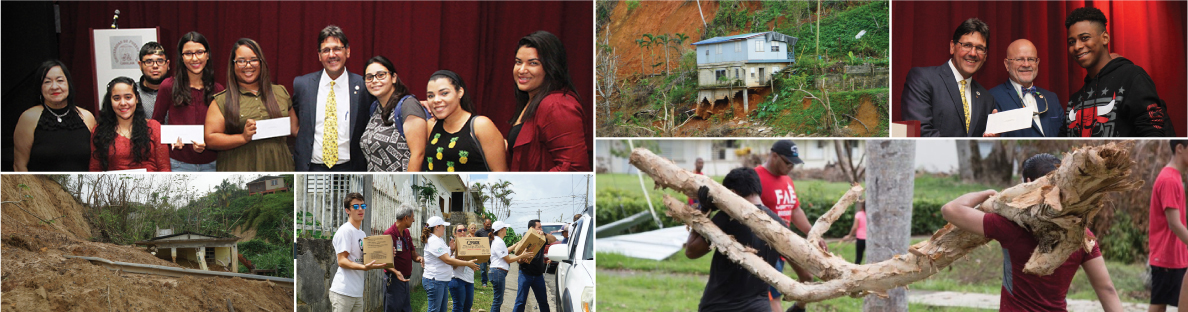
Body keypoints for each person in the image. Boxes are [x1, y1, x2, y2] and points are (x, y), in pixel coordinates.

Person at [940, 154, 1122, 311]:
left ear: (1027, 184)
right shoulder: (1081, 234)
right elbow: (1106, 289)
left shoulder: (1010, 226)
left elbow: (950, 209)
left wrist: (987, 193)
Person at [1062, 7, 1174, 137]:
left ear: (1105, 38)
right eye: (1071, 42)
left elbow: (1153, 136)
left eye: (1085, 38)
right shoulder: (1075, 100)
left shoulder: (1132, 77)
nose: (1077, 46)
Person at [686, 167, 784, 312]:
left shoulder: (727, 218)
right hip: (760, 307)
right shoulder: (779, 224)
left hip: (721, 306)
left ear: (732, 193)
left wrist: (704, 210)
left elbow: (692, 251)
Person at [204, 38, 296, 171]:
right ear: (233, 65)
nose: (248, 66)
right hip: (239, 169)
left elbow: (295, 129)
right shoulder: (222, 100)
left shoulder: (280, 92)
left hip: (279, 167)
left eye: (253, 60)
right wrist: (242, 138)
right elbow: (210, 139)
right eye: (241, 61)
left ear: (261, 62)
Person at [507, 30, 590, 171]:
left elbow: (573, 168)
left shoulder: (557, 105)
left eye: (533, 63)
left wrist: (534, 185)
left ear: (551, 66)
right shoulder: (533, 100)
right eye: (518, 62)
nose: (521, 70)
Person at [294, 25, 374, 171]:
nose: (332, 55)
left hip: (351, 168)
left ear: (347, 51)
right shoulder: (302, 85)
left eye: (337, 49)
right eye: (326, 50)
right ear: (319, 55)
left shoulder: (364, 86)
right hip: (311, 168)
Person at [901, 18, 998, 137]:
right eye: (967, 45)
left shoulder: (987, 99)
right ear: (952, 47)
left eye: (980, 48)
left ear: (986, 55)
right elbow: (919, 133)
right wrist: (967, 148)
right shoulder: (922, 79)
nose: (973, 53)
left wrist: (991, 141)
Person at [755, 140, 822, 312]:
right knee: (772, 297)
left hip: (787, 243)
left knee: (807, 277)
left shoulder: (787, 180)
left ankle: (798, 308)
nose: (791, 167)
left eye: (794, 164)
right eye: (788, 163)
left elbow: (795, 210)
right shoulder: (755, 177)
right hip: (766, 247)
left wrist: (813, 233)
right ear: (774, 156)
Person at [154, 32, 223, 172]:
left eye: (199, 52)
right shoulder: (168, 86)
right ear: (181, 57)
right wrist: (170, 139)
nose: (195, 58)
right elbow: (155, 123)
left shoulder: (218, 90)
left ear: (207, 55)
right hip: (178, 164)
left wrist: (208, 143)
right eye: (188, 53)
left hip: (213, 164)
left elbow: (222, 130)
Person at [13, 60, 97, 171]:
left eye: (60, 80)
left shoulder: (87, 117)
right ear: (40, 87)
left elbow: (97, 161)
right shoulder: (29, 118)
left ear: (69, 84)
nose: (54, 87)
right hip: (39, 183)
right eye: (47, 82)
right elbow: (19, 166)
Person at [424, 70, 508, 172]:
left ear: (460, 92)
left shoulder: (481, 125)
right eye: (431, 96)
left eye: (444, 93)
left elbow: (500, 174)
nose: (436, 100)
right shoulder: (431, 125)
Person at [360, 56, 428, 172]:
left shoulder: (408, 105)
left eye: (381, 75)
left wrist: (410, 183)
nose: (374, 80)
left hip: (403, 181)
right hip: (377, 181)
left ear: (394, 78)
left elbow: (418, 154)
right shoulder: (375, 108)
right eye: (369, 77)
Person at [89, 77, 170, 171]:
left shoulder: (154, 127)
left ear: (137, 98)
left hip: (152, 180)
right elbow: (95, 170)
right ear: (110, 101)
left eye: (128, 97)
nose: (123, 103)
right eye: (116, 98)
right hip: (114, 181)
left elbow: (164, 168)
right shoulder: (99, 131)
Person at [988, 39, 1063, 137]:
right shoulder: (992, 98)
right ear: (1007, 64)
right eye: (1019, 59)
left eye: (1031, 59)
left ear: (1037, 63)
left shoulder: (1052, 98)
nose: (1026, 64)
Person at [329, 193, 389, 312]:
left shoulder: (362, 234)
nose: (360, 209)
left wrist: (387, 253)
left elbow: (365, 258)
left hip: (357, 293)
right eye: (356, 206)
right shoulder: (345, 231)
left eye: (363, 206)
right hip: (343, 292)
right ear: (347, 210)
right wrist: (364, 268)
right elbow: (342, 261)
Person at [1149, 140, 1188, 311]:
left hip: (1175, 256)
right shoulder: (1170, 179)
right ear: (1180, 148)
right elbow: (1174, 224)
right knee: (1158, 306)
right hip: (1167, 258)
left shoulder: (1174, 177)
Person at [422, 216, 480, 312]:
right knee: (434, 310)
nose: (444, 228)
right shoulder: (434, 241)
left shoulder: (439, 240)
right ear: (437, 227)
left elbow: (445, 256)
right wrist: (467, 263)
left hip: (441, 280)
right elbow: (447, 260)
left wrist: (451, 250)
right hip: (435, 280)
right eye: (443, 226)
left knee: (442, 310)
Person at [382, 204, 422, 312]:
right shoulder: (388, 234)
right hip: (394, 281)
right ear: (406, 218)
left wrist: (419, 258)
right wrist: (396, 272)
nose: (414, 220)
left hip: (405, 281)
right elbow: (383, 261)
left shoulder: (406, 233)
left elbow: (412, 252)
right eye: (412, 217)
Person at [489, 221, 535, 312]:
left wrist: (516, 244)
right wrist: (522, 256)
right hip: (498, 272)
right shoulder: (499, 242)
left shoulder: (498, 241)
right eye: (505, 228)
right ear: (501, 230)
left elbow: (505, 251)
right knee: (498, 301)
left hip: (497, 272)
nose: (506, 230)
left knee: (498, 300)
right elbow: (508, 260)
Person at [513, 220, 555, 312]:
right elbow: (518, 260)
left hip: (538, 276)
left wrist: (544, 233)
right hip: (525, 274)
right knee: (520, 302)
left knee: (543, 302)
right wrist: (522, 260)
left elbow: (553, 239)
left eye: (541, 227)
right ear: (532, 228)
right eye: (539, 227)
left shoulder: (542, 239)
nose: (541, 229)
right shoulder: (525, 241)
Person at [136, 41, 169, 118]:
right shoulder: (132, 93)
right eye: (149, 62)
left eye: (160, 61)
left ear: (168, 64)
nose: (155, 66)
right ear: (140, 65)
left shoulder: (180, 91)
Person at [448, 224, 476, 312]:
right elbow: (453, 266)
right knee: (458, 307)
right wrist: (458, 257)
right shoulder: (452, 247)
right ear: (455, 234)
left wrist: (473, 266)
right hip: (457, 279)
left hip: (469, 279)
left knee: (467, 307)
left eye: (464, 230)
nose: (462, 232)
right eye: (459, 230)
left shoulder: (470, 245)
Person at [474, 218, 494, 288]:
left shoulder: (492, 231)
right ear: (484, 224)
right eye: (487, 224)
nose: (489, 225)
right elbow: (474, 238)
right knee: (483, 269)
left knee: (493, 267)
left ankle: (493, 281)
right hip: (483, 253)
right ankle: (484, 282)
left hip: (492, 252)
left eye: (490, 224)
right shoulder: (479, 232)